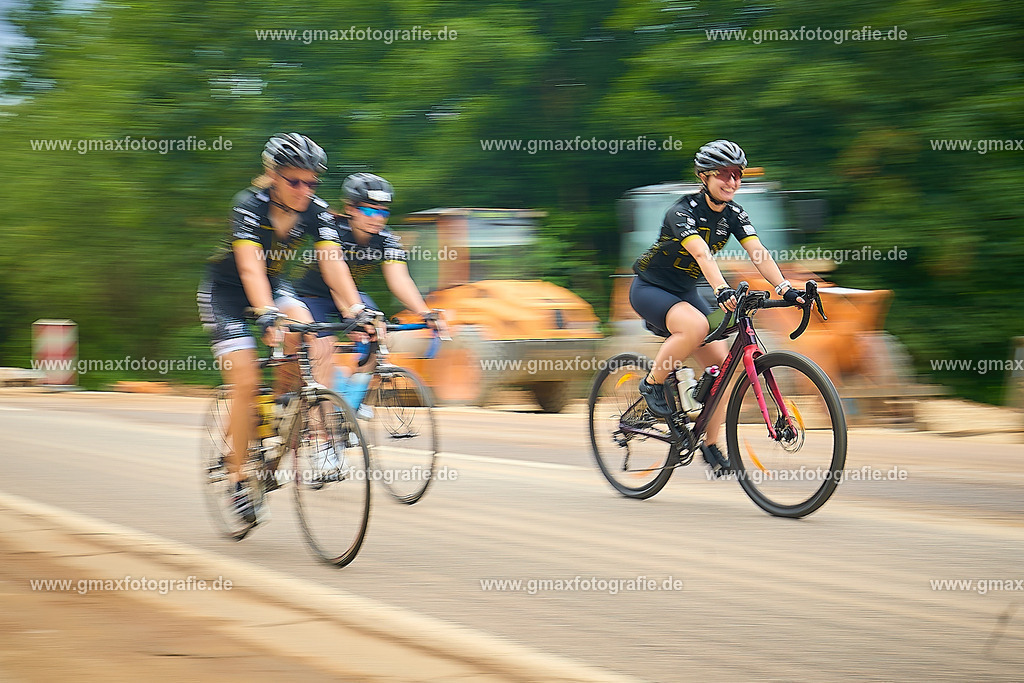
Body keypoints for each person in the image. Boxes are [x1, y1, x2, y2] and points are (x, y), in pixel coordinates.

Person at [198, 133, 361, 523]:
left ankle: (302, 429)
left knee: (316, 338)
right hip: (227, 293)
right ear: (273, 175)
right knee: (246, 380)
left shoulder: (316, 211)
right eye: (295, 181)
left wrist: (356, 309)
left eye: (312, 182)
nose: (305, 190)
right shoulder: (249, 206)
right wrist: (267, 313)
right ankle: (239, 478)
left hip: (274, 286)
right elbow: (250, 268)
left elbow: (333, 263)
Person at [630, 139, 804, 474]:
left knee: (722, 369)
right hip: (651, 288)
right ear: (704, 176)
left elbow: (758, 252)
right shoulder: (682, 212)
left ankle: (710, 445)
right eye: (723, 174)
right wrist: (721, 288)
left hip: (686, 291)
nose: (732, 181)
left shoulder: (734, 213)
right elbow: (701, 254)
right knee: (695, 326)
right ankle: (652, 383)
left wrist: (784, 287)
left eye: (737, 174)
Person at [294, 172, 443, 407]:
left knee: (379, 336)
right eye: (370, 211)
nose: (378, 219)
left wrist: (424, 312)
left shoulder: (386, 238)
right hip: (313, 295)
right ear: (350, 209)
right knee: (324, 347)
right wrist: (351, 314)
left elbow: (400, 279)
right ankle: (322, 404)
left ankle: (350, 401)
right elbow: (334, 277)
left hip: (350, 294)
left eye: (383, 212)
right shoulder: (333, 231)